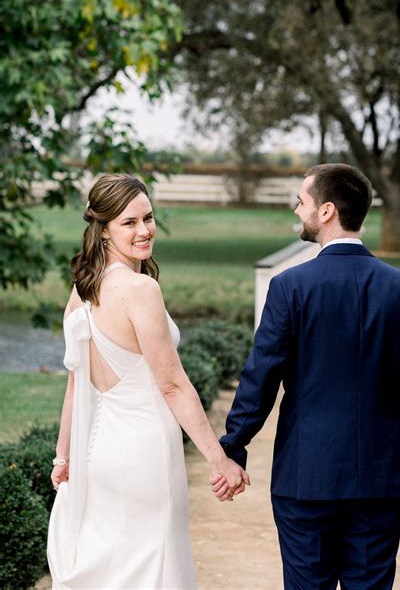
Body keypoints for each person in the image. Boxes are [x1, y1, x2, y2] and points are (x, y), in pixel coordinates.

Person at [213, 163, 400, 589]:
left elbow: (260, 377)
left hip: (306, 478)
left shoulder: (289, 287)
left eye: (302, 201)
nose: (296, 209)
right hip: (379, 480)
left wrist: (234, 446)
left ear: (326, 211)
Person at [47, 173, 249, 589]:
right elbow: (172, 384)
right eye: (129, 222)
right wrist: (219, 460)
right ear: (103, 230)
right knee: (152, 564)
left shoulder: (82, 289)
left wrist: (63, 458)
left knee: (110, 565)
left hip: (98, 454)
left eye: (148, 218)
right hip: (145, 453)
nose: (144, 230)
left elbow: (75, 385)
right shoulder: (139, 289)